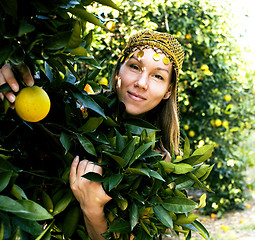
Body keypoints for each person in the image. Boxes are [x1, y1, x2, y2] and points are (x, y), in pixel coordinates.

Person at [0, 29, 184, 239]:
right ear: (118, 71)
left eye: (157, 76)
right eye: (134, 66)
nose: (141, 83)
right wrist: (12, 75)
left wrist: (93, 211)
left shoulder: (162, 164)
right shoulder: (75, 112)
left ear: (168, 91)